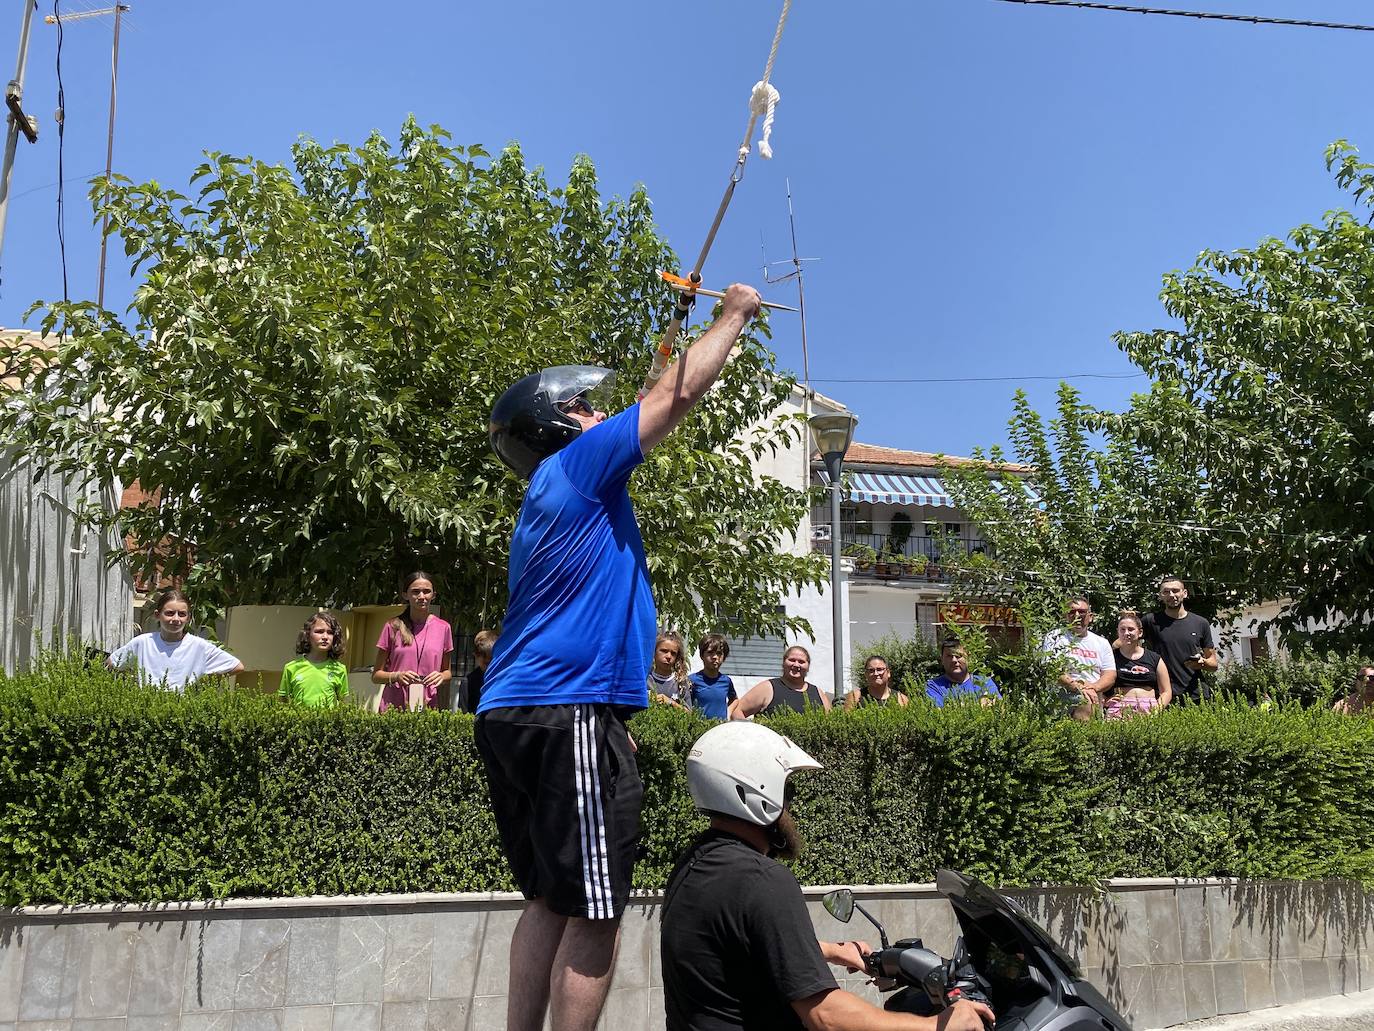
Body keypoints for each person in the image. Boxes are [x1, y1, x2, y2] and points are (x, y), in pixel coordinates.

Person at [475, 284, 762, 1031]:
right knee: (596, 909)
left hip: (521, 710)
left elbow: (648, 395)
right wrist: (733, 315)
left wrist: (675, 330)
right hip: (564, 706)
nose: (598, 415)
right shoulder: (579, 465)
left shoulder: (558, 488)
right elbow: (673, 398)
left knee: (548, 898)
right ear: (557, 423)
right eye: (584, 407)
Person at [661, 720, 996, 1031]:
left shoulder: (695, 864)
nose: (790, 807)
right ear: (757, 793)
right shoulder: (762, 880)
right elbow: (825, 1016)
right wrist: (938, 1025)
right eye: (788, 793)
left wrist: (831, 950)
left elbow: (735, 941)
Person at [107, 588, 244, 691]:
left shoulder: (199, 647)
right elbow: (111, 663)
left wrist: (202, 682)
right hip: (145, 707)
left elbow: (236, 666)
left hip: (182, 710)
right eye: (170, 613)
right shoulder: (143, 643)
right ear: (157, 615)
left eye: (182, 614)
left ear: (188, 618)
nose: (176, 619)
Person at [371, 571, 454, 712]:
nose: (422, 596)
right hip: (393, 707)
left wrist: (441, 676)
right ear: (405, 595)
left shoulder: (443, 628)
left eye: (426, 591)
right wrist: (397, 676)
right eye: (416, 592)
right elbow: (376, 675)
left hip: (428, 705)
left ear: (434, 595)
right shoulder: (392, 626)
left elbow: (447, 673)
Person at [1142, 577, 1217, 703]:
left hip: (1196, 696)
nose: (1171, 595)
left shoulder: (1200, 623)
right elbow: (1125, 644)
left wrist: (1202, 663)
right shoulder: (1150, 621)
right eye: (1166, 592)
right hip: (1163, 696)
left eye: (1175, 590)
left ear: (1185, 593)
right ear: (1160, 596)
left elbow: (1213, 664)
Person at [1040, 597, 1115, 720]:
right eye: (1071, 612)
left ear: (1090, 617)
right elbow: (1052, 670)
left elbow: (1110, 675)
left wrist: (1093, 687)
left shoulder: (1102, 642)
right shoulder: (1054, 637)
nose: (1077, 615)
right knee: (1085, 702)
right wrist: (1078, 687)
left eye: (1082, 612)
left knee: (1090, 701)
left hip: (1093, 693)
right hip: (1064, 693)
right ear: (1066, 616)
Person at [731, 645, 832, 718]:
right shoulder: (767, 688)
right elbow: (737, 711)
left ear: (808, 666)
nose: (796, 665)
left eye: (801, 662)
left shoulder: (818, 692)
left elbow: (831, 721)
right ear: (783, 662)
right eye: (792, 660)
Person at [1104, 612, 1171, 718]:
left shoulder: (1154, 658)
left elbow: (1166, 691)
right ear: (1118, 632)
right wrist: (1105, 700)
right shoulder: (1110, 658)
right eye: (1122, 629)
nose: (1126, 633)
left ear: (1140, 632)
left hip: (1149, 709)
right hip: (1119, 709)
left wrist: (1157, 709)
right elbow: (1098, 683)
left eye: (1131, 629)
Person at [278, 612, 350, 709]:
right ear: (307, 635)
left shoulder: (339, 669)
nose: (325, 637)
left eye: (330, 632)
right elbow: (282, 702)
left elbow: (343, 704)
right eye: (319, 632)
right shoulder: (291, 668)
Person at [924, 639, 1000, 707]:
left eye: (958, 655)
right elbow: (939, 714)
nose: (954, 660)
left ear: (968, 658)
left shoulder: (985, 683)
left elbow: (999, 710)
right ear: (942, 660)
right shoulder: (934, 686)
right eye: (949, 656)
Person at [687, 633, 737, 720]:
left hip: (720, 726)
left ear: (724, 657)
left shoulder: (726, 681)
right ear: (702, 655)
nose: (715, 657)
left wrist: (728, 713)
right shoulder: (692, 680)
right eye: (710, 653)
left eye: (719, 653)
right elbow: (685, 705)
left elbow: (734, 699)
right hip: (700, 726)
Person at [844, 653, 910, 710]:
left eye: (879, 669)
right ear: (866, 674)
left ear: (888, 673)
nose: (876, 673)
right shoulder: (855, 697)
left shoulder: (901, 699)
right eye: (871, 670)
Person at [457, 629, 498, 714]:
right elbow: (464, 714)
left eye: (492, 661)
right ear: (476, 656)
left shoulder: (503, 678)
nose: (489, 667)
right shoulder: (468, 683)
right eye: (485, 663)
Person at [648, 630, 691, 708]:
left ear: (677, 657)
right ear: (654, 652)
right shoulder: (646, 680)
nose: (668, 656)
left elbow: (689, 712)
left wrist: (671, 702)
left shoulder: (680, 683)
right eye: (664, 651)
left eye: (673, 653)